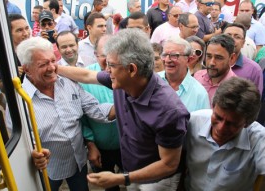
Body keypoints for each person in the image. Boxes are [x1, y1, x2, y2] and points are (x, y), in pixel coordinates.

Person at [58, 28, 189, 190]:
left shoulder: (170, 111)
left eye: (111, 65)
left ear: (132, 69)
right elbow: (86, 75)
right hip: (131, 174)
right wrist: (55, 69)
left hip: (157, 181)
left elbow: (169, 165)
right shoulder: (122, 81)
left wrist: (122, 178)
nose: (106, 70)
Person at [16, 36, 115, 191]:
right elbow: (20, 141)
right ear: (27, 69)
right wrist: (34, 153)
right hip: (47, 169)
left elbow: (95, 109)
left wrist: (122, 106)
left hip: (78, 162)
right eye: (43, 64)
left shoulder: (68, 84)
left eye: (53, 61)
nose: (52, 68)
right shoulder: (20, 100)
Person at [185, 77, 265, 191]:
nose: (221, 128)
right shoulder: (193, 122)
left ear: (247, 123)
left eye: (232, 124)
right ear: (213, 106)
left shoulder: (259, 138)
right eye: (217, 117)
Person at [82, 35, 123, 191]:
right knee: (110, 187)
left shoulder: (127, 74)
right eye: (103, 55)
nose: (108, 60)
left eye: (112, 54)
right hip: (99, 149)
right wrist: (90, 145)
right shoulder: (84, 78)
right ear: (95, 55)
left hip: (127, 148)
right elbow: (80, 117)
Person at [158, 37, 210, 112]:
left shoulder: (200, 94)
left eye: (174, 55)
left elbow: (203, 123)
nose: (167, 60)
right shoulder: (151, 81)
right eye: (164, 55)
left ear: (188, 59)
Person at [194, 34, 237, 105]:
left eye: (218, 57)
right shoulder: (197, 76)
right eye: (209, 56)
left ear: (232, 58)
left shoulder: (235, 89)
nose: (212, 63)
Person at [223, 22, 263, 95]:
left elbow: (255, 102)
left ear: (243, 43)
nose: (231, 39)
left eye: (237, 37)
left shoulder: (253, 70)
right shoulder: (212, 62)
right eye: (228, 35)